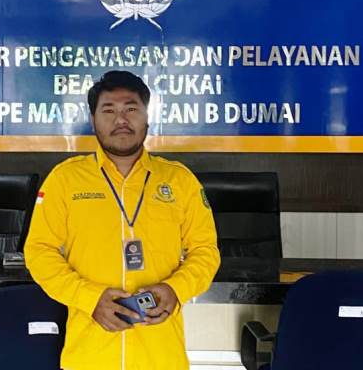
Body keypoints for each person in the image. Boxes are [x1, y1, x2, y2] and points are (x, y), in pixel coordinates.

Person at [24, 70, 220, 370]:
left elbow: (206, 252)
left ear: (147, 117)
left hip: (161, 356)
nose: (121, 120)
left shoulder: (179, 181)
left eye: (131, 109)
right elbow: (39, 252)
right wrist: (90, 299)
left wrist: (176, 290)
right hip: (89, 356)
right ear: (93, 120)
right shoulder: (65, 180)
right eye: (109, 110)